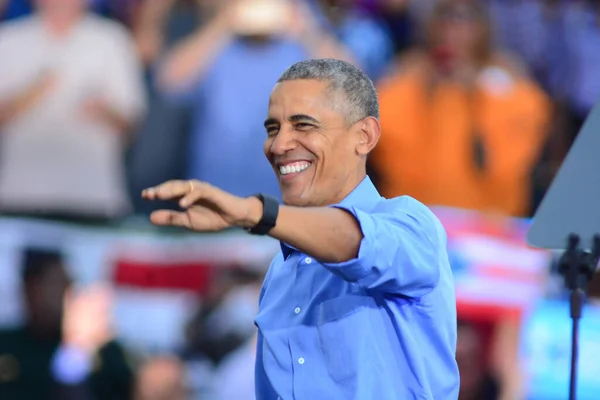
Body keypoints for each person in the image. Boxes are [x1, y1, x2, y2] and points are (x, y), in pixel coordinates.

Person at [142, 58, 459, 399]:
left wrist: (253, 214)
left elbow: (357, 242)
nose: (279, 146)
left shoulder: (411, 222)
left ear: (364, 136)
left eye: (304, 125)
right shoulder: (280, 273)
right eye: (272, 128)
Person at [0, 248, 134, 400]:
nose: (64, 294)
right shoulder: (5, 344)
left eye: (67, 284)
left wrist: (77, 350)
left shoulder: (108, 354)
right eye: (54, 283)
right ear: (28, 289)